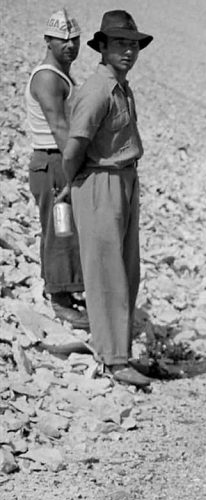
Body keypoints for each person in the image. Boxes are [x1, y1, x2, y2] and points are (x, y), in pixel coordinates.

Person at [62, 10, 156, 387]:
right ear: (101, 47)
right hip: (100, 181)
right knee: (106, 274)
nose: (129, 51)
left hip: (123, 179)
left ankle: (121, 352)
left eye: (133, 45)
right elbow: (75, 146)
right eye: (120, 43)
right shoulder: (97, 89)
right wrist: (72, 185)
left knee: (125, 271)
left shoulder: (121, 86)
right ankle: (113, 359)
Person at [25, 8, 88, 329]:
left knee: (64, 225)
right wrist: (75, 169)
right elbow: (60, 127)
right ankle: (61, 299)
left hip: (57, 160)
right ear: (47, 41)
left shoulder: (60, 74)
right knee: (60, 226)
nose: (70, 45)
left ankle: (67, 287)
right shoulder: (48, 76)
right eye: (62, 40)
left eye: (74, 39)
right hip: (54, 162)